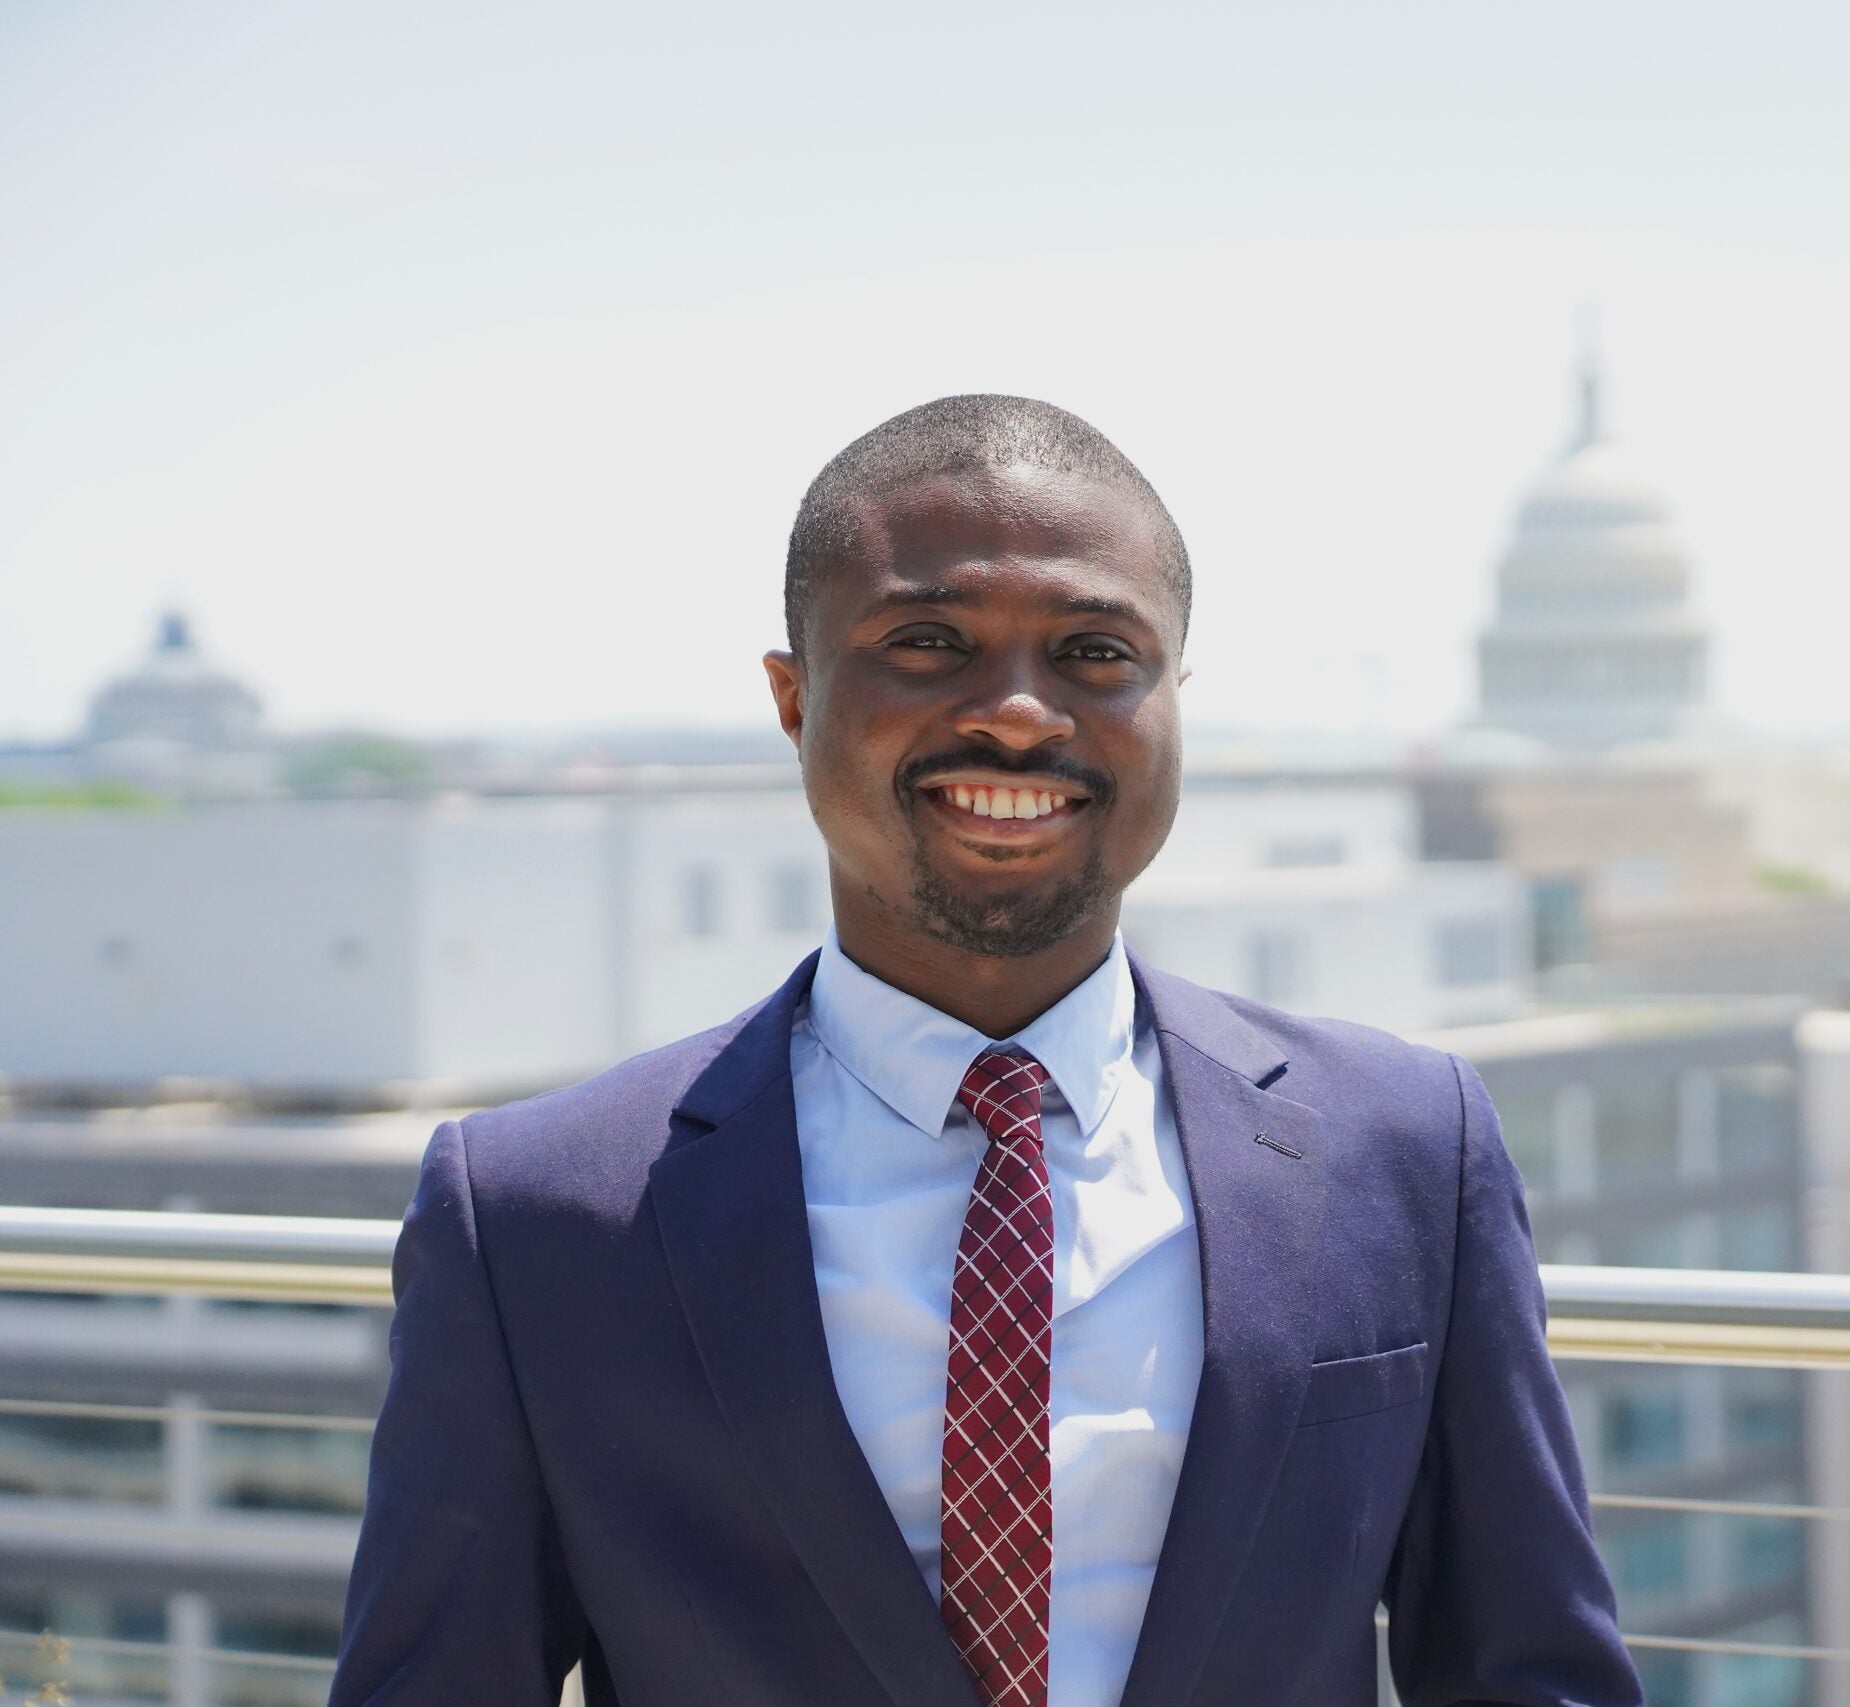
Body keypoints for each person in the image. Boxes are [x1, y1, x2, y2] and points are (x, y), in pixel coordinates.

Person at [327, 396, 1641, 1707]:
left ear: (1175, 702)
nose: (1017, 715)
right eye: (928, 641)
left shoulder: (1404, 1148)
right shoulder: (535, 1217)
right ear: (793, 699)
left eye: (1094, 652)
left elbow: (1535, 1677)